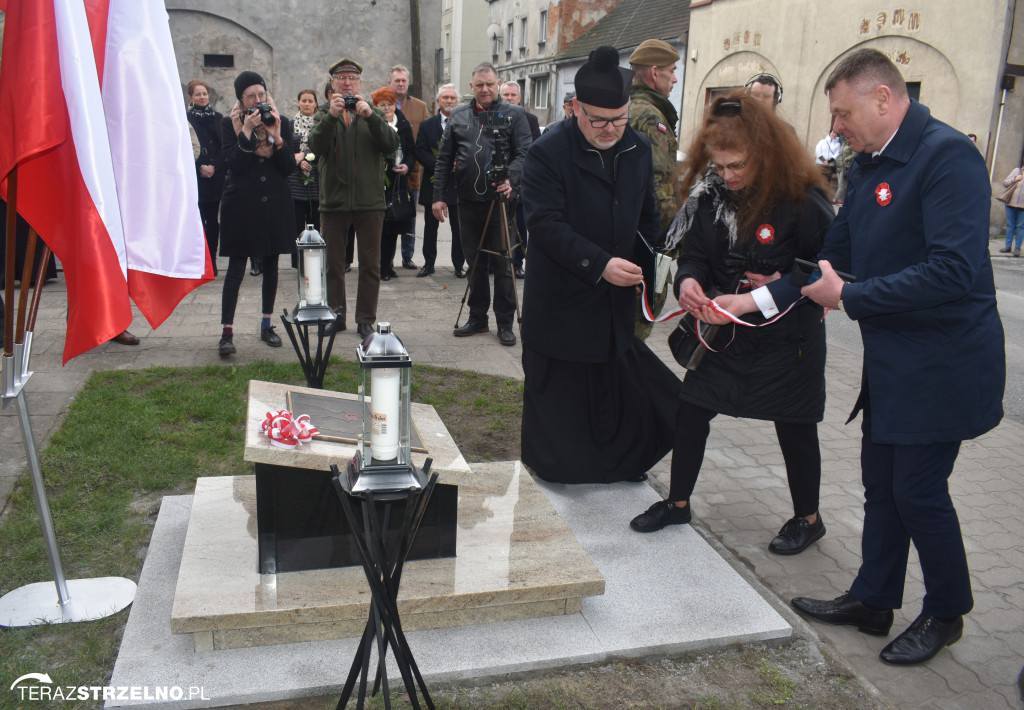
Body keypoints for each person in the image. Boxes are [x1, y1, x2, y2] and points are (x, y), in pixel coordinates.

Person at [788, 48, 1004, 666]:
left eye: (842, 112)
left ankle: (946, 611)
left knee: (918, 491)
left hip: (944, 365)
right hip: (893, 362)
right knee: (881, 487)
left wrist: (849, 296)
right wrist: (761, 292)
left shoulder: (947, 157)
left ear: (883, 98)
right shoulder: (868, 164)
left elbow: (955, 270)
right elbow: (836, 251)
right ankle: (874, 598)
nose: (836, 128)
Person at [628, 92, 834, 557]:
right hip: (724, 335)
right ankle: (678, 503)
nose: (728, 176)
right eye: (719, 166)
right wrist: (688, 284)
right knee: (692, 411)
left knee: (796, 427)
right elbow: (695, 253)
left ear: (766, 153)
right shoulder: (711, 193)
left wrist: (760, 295)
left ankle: (809, 519)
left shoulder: (803, 198)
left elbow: (825, 268)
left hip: (787, 339)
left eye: (738, 165)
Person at [519, 45, 682, 484]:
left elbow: (646, 216)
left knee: (622, 392)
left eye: (620, 119)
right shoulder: (547, 153)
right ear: (575, 109)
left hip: (612, 302)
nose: (611, 130)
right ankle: (565, 473)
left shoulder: (639, 149)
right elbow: (545, 224)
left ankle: (622, 463)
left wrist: (648, 269)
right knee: (564, 403)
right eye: (599, 120)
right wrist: (601, 263)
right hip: (561, 298)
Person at [432, 62, 532, 346]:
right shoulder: (458, 115)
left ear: (498, 83)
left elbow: (525, 153)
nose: (485, 89)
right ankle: (478, 318)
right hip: (467, 201)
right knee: (474, 263)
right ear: (471, 86)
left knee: (503, 264)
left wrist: (511, 178)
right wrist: (438, 196)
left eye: (490, 84)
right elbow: (443, 159)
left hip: (502, 202)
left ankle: (505, 323)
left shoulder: (515, 115)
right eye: (479, 85)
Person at [308, 58, 398, 339]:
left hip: (370, 202)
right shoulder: (323, 114)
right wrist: (333, 117)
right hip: (333, 202)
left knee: (370, 265)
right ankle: (336, 315)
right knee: (333, 264)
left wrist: (370, 116)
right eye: (341, 78)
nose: (347, 83)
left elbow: (390, 146)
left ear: (360, 83)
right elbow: (316, 147)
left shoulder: (374, 113)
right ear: (332, 83)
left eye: (352, 78)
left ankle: (365, 319)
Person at [216, 71, 295, 356]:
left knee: (272, 267)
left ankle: (266, 324)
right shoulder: (229, 123)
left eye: (261, 94)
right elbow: (234, 165)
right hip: (242, 206)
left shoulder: (281, 121)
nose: (257, 100)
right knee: (236, 270)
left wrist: (276, 137)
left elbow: (288, 168)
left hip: (273, 203)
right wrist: (247, 132)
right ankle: (227, 332)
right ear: (241, 98)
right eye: (251, 95)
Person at [628, 38, 681, 340]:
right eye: (671, 71)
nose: (675, 79)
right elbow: (657, 185)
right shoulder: (650, 116)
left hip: (632, 234)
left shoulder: (630, 107)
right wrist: (668, 241)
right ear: (654, 73)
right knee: (640, 319)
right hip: (648, 241)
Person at [415, 84, 465, 278]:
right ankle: (428, 263)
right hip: (433, 182)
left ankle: (459, 265)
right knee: (430, 227)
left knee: (458, 228)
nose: (449, 101)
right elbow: (420, 150)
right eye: (445, 97)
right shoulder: (427, 125)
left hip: (458, 184)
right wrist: (440, 164)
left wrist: (458, 163)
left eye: (452, 98)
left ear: (457, 101)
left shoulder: (463, 123)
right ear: (438, 101)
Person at [372, 87, 415, 281]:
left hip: (398, 180)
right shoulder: (373, 123)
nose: (387, 108)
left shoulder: (403, 123)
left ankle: (389, 264)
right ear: (376, 106)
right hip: (378, 180)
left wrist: (407, 165)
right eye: (383, 105)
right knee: (381, 227)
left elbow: (411, 151)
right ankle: (381, 266)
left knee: (394, 224)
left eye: (390, 104)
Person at [389, 65, 429, 271]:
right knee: (388, 217)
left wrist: (413, 162)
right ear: (390, 83)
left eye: (404, 80)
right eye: (397, 80)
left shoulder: (420, 107)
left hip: (411, 172)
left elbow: (425, 138)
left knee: (409, 216)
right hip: (386, 175)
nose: (401, 84)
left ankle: (407, 257)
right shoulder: (380, 104)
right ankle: (387, 259)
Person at [499, 80, 540, 279]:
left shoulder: (530, 120)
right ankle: (495, 263)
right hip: (498, 181)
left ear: (519, 97)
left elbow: (535, 151)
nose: (509, 98)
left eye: (512, 95)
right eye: (506, 95)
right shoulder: (495, 117)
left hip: (522, 182)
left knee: (520, 226)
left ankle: (517, 264)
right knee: (497, 226)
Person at [185, 79, 225, 276]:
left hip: (215, 175)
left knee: (213, 219)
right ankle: (198, 260)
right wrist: (200, 166)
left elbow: (223, 146)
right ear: (191, 97)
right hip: (196, 175)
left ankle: (212, 260)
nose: (202, 97)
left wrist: (214, 166)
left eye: (205, 93)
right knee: (197, 218)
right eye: (198, 94)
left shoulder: (218, 118)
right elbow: (185, 146)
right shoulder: (186, 118)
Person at [287, 88, 321, 267]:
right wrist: (299, 162)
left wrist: (306, 154)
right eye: (304, 101)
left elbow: (322, 147)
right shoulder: (291, 125)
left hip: (315, 180)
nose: (307, 104)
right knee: (297, 224)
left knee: (316, 222)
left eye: (310, 101)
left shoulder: (320, 125)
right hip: (295, 181)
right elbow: (286, 151)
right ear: (298, 102)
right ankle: (298, 262)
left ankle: (315, 260)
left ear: (316, 104)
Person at [999, 158, 1024, 256]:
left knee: (1021, 227)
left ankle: (1017, 248)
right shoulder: (1017, 171)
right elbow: (1005, 183)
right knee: (1010, 225)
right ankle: (1008, 246)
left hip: (1023, 205)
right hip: (1010, 203)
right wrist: (1015, 178)